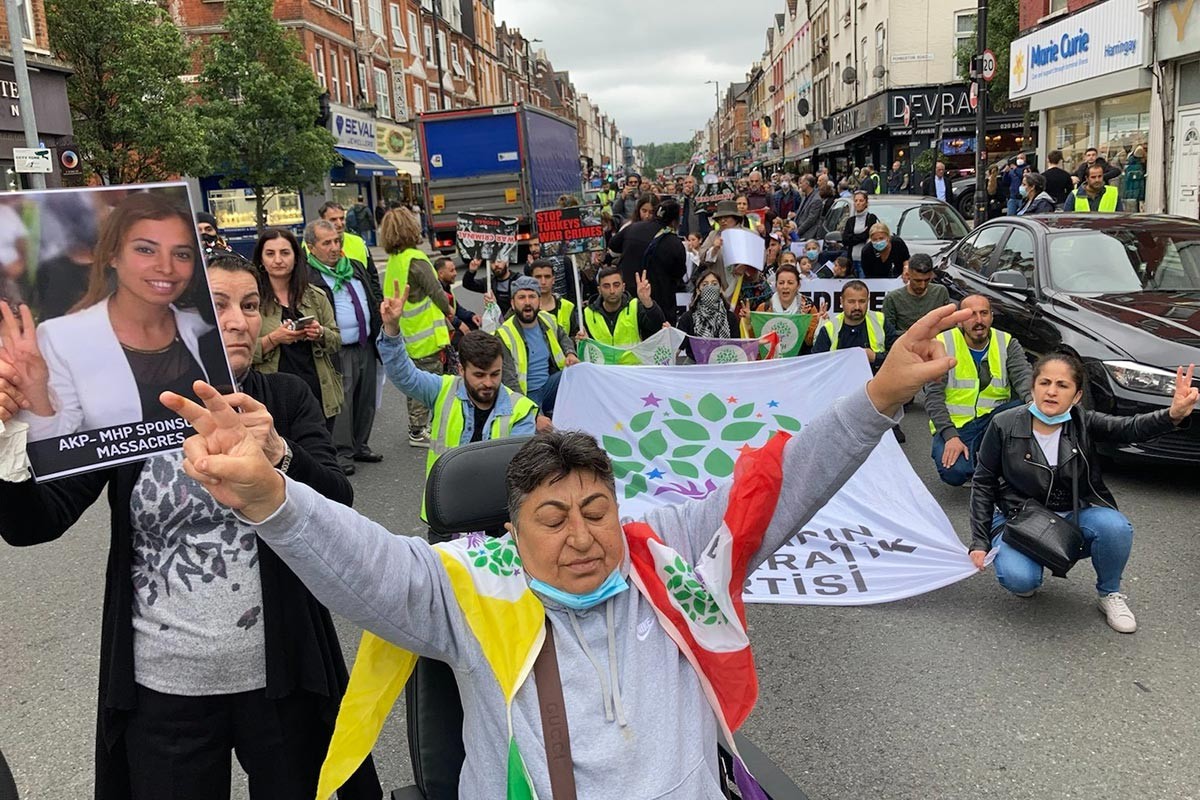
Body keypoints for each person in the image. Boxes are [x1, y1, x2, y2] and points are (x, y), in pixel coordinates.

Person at [157, 295, 969, 800]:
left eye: (596, 511)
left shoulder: (670, 552)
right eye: (554, 518)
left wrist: (881, 395)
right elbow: (367, 564)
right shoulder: (474, 587)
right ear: (513, 531)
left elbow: (783, 484)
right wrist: (269, 496)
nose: (582, 537)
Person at [0, 250, 381, 800]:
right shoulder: (125, 412)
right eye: (217, 304)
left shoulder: (285, 400)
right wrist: (11, 436)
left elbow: (339, 506)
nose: (236, 320)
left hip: (282, 679)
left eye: (251, 306)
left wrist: (277, 451)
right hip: (163, 688)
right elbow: (36, 521)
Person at [968, 355, 1197, 633]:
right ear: (1032, 388)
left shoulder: (1083, 422)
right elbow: (983, 482)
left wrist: (1172, 414)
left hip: (1071, 513)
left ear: (1076, 396)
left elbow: (1129, 427)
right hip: (1018, 517)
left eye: (1062, 385)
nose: (1051, 391)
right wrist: (979, 541)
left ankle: (1109, 594)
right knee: (1020, 580)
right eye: (1045, 382)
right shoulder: (1004, 424)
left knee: (1115, 527)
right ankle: (1031, 564)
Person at [8, 192, 227, 443]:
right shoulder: (61, 336)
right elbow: (57, 447)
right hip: (117, 483)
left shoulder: (203, 328)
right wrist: (36, 391)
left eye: (181, 254)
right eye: (146, 250)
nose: (166, 267)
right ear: (113, 255)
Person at [377, 287, 537, 541]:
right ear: (462, 369)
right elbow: (404, 375)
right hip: (447, 515)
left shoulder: (521, 410)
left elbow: (524, 473)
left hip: (497, 521)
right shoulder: (443, 389)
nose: (488, 383)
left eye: (495, 374)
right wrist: (392, 330)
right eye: (479, 375)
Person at [925, 294, 1032, 486]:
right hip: (958, 426)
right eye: (971, 315)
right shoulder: (942, 343)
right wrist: (950, 436)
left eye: (984, 313)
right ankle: (987, 463)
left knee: (1030, 408)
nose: (979, 320)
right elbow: (933, 397)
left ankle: (996, 462)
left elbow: (1024, 377)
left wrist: (1034, 403)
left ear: (991, 316)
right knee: (954, 473)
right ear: (959, 321)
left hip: (996, 420)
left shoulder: (1007, 342)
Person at [305, 219, 384, 473]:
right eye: (326, 243)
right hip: (337, 348)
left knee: (366, 398)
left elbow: (372, 296)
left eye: (337, 241)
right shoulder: (309, 276)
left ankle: (361, 444)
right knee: (343, 403)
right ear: (311, 247)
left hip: (365, 343)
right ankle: (342, 453)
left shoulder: (354, 267)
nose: (334, 247)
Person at [253, 228, 344, 428]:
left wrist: (320, 333)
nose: (278, 260)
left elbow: (336, 340)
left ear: (296, 257)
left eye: (285, 253)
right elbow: (236, 354)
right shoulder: (251, 300)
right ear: (261, 259)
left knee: (319, 453)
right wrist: (274, 339)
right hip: (273, 396)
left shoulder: (316, 296)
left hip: (317, 390)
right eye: (270, 253)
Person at [378, 207, 454, 449]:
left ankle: (416, 426)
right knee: (426, 381)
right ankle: (419, 429)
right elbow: (436, 291)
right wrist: (449, 311)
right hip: (425, 334)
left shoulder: (395, 261)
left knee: (412, 380)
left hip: (405, 331)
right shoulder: (416, 259)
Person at [496, 275, 578, 416]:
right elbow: (509, 381)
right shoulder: (504, 334)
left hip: (549, 385)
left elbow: (563, 337)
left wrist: (570, 353)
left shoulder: (547, 319)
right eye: (521, 297)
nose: (527, 302)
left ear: (539, 301)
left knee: (579, 372)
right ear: (512, 303)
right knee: (543, 431)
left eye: (532, 297)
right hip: (526, 395)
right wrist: (533, 415)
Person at [607, 199, 687, 325]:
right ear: (675, 220)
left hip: (628, 299)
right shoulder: (675, 243)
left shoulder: (633, 228)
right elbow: (679, 273)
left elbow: (613, 245)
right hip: (659, 305)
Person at [811, 279, 897, 373]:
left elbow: (899, 355)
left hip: (876, 381)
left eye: (862, 301)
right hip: (840, 382)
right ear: (841, 301)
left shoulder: (880, 321)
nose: (857, 307)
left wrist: (875, 357)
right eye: (851, 302)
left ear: (868, 301)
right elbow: (816, 365)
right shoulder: (829, 329)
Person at [579, 266, 665, 345]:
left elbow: (658, 327)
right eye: (606, 286)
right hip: (602, 362)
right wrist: (582, 342)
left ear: (623, 287)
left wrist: (647, 301)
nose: (612, 291)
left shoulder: (635, 306)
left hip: (632, 362)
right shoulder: (588, 313)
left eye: (616, 285)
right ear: (599, 290)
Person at [677, 269, 740, 361]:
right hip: (695, 367)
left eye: (714, 284)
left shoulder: (731, 318)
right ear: (698, 290)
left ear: (721, 289)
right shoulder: (688, 318)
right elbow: (677, 349)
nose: (710, 288)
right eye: (705, 284)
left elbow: (737, 349)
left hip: (723, 366)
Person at [882, 253, 950, 334]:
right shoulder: (892, 299)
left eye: (927, 280)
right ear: (908, 275)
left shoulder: (941, 293)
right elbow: (888, 333)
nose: (922, 285)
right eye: (917, 281)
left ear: (931, 275)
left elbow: (949, 327)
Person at [319, 201, 376, 279]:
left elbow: (372, 275)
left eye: (342, 218)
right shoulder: (310, 245)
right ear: (322, 221)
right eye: (333, 220)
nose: (339, 224)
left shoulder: (358, 241)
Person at [530, 258, 578, 336]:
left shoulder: (567, 306)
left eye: (547, 277)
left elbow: (574, 335)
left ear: (553, 280)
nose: (543, 282)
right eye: (538, 277)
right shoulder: (524, 306)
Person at [841, 191, 879, 276]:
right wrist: (862, 235)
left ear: (866, 203)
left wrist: (854, 237)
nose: (858, 203)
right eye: (856, 200)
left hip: (865, 260)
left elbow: (869, 235)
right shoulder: (851, 221)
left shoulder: (871, 218)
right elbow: (846, 240)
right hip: (852, 260)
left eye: (861, 201)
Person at [678, 174, 711, 239]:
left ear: (695, 184)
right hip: (687, 233)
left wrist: (693, 195)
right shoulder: (681, 197)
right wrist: (686, 196)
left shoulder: (702, 196)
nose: (688, 185)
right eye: (685, 183)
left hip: (702, 231)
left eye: (690, 182)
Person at [791, 174, 823, 242]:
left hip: (809, 235)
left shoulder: (816, 200)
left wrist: (798, 231)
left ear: (807, 184)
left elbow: (811, 220)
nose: (800, 185)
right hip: (799, 232)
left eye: (801, 183)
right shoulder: (804, 196)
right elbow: (801, 212)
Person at [1122, 145, 1146, 212]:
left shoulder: (1130, 165)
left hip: (1129, 194)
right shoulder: (1137, 167)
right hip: (1134, 197)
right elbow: (1139, 185)